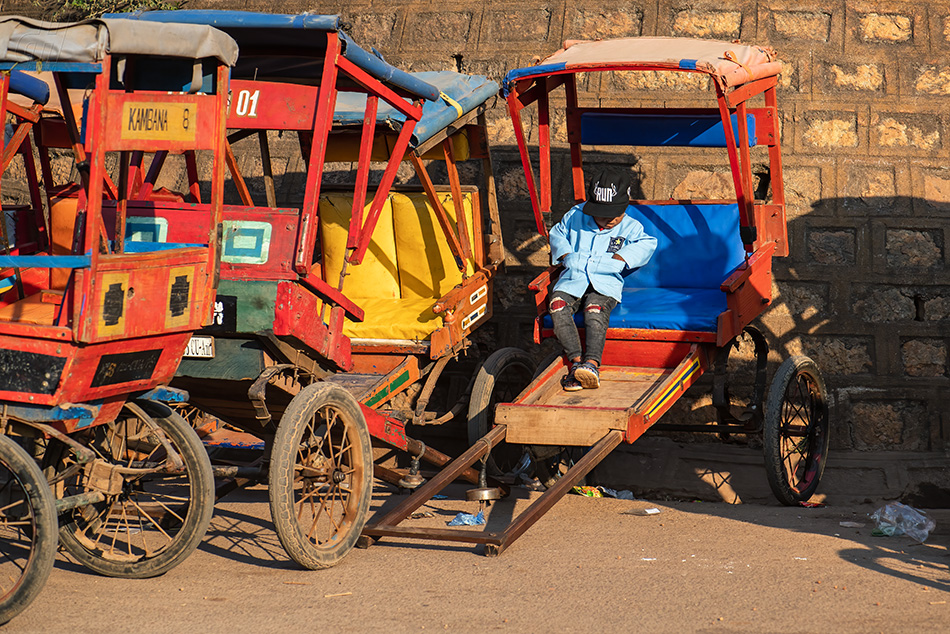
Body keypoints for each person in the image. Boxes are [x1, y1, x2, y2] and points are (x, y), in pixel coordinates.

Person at [548, 167, 657, 391]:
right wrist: (566, 255)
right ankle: (576, 363)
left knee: (594, 310)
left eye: (613, 215)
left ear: (624, 207)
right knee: (557, 306)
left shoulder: (631, 226)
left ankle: (592, 363)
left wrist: (622, 257)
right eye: (601, 214)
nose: (607, 220)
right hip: (573, 279)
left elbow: (648, 243)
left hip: (604, 284)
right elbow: (558, 233)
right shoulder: (575, 215)